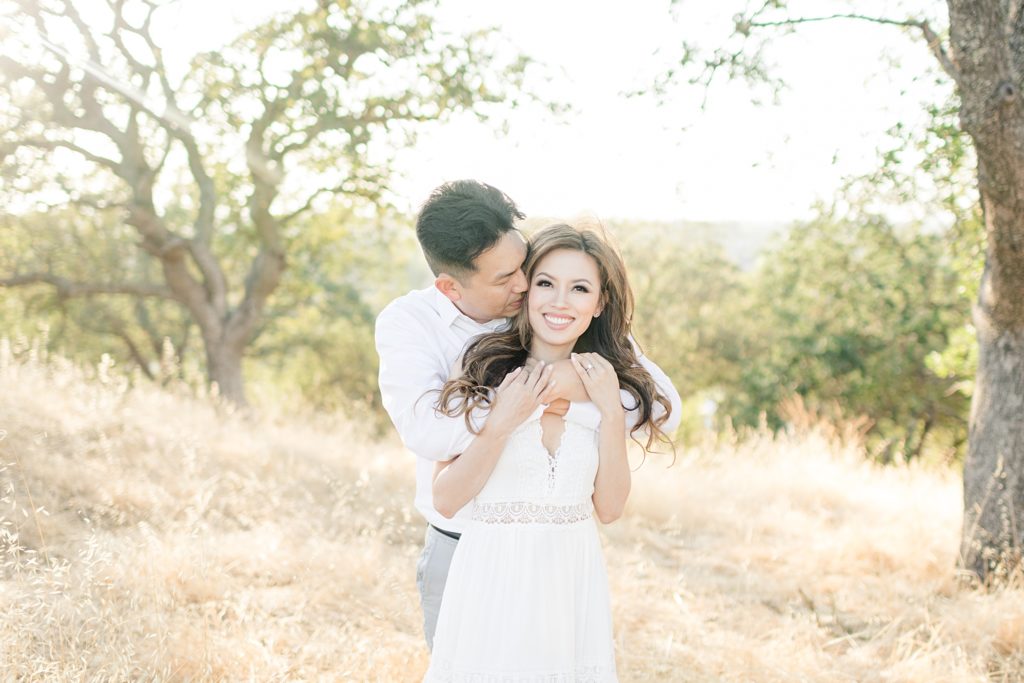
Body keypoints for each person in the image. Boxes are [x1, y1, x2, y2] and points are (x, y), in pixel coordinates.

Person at [374, 180, 681, 651]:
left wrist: (570, 383)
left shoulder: (566, 320)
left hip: (561, 560)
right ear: (451, 286)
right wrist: (525, 398)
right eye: (506, 278)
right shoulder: (415, 328)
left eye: (523, 265)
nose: (523, 285)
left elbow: (660, 404)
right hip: (464, 546)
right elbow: (429, 433)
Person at [424, 223, 672, 680]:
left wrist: (611, 413)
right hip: (492, 575)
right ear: (527, 291)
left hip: (570, 579)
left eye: (579, 288)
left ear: (599, 304)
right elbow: (446, 498)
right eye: (546, 283)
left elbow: (611, 508)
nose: (560, 302)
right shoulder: (482, 366)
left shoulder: (608, 384)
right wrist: (500, 422)